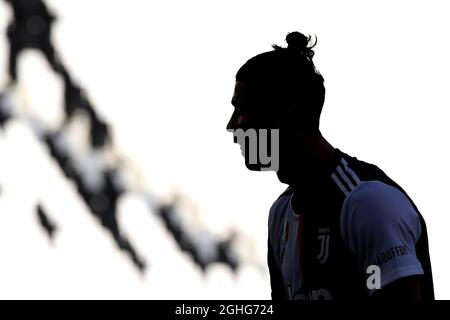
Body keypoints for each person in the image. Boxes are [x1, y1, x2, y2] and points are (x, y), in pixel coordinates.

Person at [226, 31, 434, 300]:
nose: (232, 126)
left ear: (281, 111)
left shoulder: (367, 203)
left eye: (241, 109)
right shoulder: (279, 215)